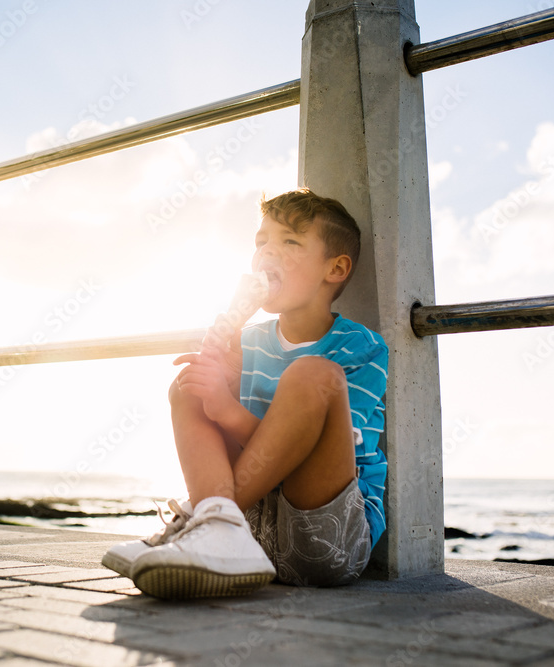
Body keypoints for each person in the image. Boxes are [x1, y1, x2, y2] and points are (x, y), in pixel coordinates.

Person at [102, 188, 388, 599]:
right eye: (261, 241)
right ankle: (216, 532)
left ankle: (209, 521)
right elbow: (224, 428)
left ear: (335, 268)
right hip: (252, 536)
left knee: (311, 375)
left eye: (290, 242)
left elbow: (317, 451)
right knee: (191, 384)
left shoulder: (361, 348)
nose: (267, 253)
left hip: (325, 538)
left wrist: (228, 409)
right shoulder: (247, 342)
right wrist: (225, 381)